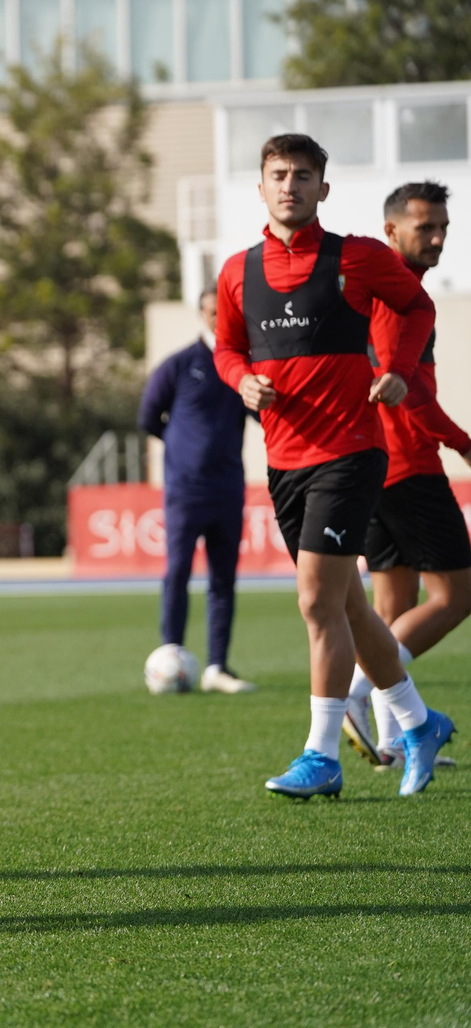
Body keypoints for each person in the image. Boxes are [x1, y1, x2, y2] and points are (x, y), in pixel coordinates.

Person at [214, 133, 455, 800]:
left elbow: (418, 306)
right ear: (260, 187)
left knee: (319, 600)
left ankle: (321, 756)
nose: (290, 185)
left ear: (324, 188)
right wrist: (241, 381)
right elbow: (226, 347)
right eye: (278, 174)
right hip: (284, 460)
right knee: (349, 606)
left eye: (303, 175)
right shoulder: (237, 271)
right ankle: (418, 721)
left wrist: (401, 372)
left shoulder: (358, 258)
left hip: (351, 451)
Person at [344, 181, 470, 769]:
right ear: (391, 230)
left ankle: (395, 738)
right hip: (408, 465)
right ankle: (357, 693)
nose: (439, 236)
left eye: (443, 224)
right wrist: (464, 444)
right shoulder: (398, 296)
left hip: (372, 466)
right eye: (426, 227)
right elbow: (407, 389)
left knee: (393, 607)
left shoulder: (384, 291)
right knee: (457, 595)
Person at [138, 288, 257, 694]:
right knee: (178, 572)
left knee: (223, 579)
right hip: (186, 490)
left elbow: (265, 413)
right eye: (212, 312)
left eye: (225, 313)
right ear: (201, 314)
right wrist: (182, 451)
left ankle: (217, 667)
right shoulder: (179, 365)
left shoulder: (243, 368)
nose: (218, 320)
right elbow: (148, 417)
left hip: (228, 487)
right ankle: (171, 654)